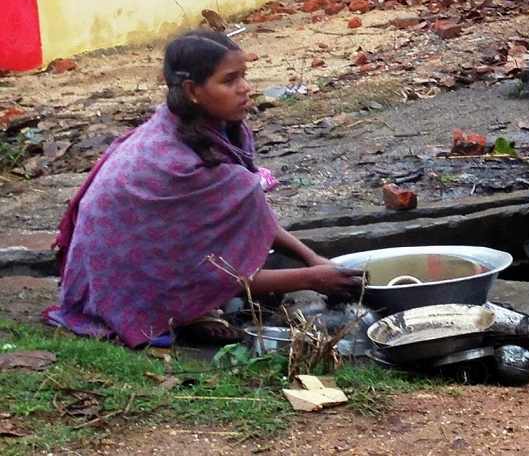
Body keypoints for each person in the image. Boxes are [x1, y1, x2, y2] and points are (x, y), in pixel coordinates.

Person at [43, 30, 362, 348]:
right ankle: (187, 312)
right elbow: (212, 273)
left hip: (134, 263)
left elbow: (257, 218)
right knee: (270, 259)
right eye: (229, 80)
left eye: (244, 76)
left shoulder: (200, 126)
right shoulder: (177, 161)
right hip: (117, 287)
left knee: (270, 247)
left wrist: (315, 257)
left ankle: (201, 309)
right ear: (193, 90)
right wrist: (313, 278)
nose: (245, 88)